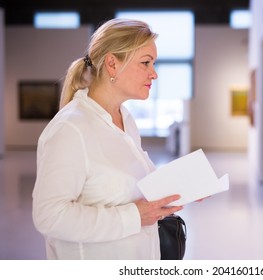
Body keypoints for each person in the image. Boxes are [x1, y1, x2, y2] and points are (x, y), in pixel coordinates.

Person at [32, 18, 183, 260]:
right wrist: (133, 216)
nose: (153, 74)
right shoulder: (70, 129)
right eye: (145, 63)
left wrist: (184, 186)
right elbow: (50, 216)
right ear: (112, 64)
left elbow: (133, 184)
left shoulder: (125, 119)